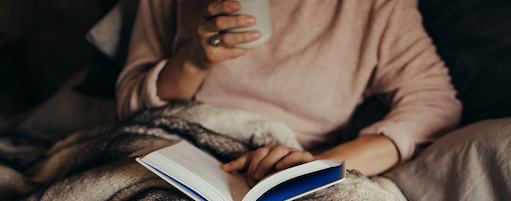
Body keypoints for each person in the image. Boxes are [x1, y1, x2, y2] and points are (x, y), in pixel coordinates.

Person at [116, 0, 461, 186]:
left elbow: (434, 107)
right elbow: (129, 104)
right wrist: (193, 62)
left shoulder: (375, 9)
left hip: (282, 175)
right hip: (176, 149)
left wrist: (317, 165)